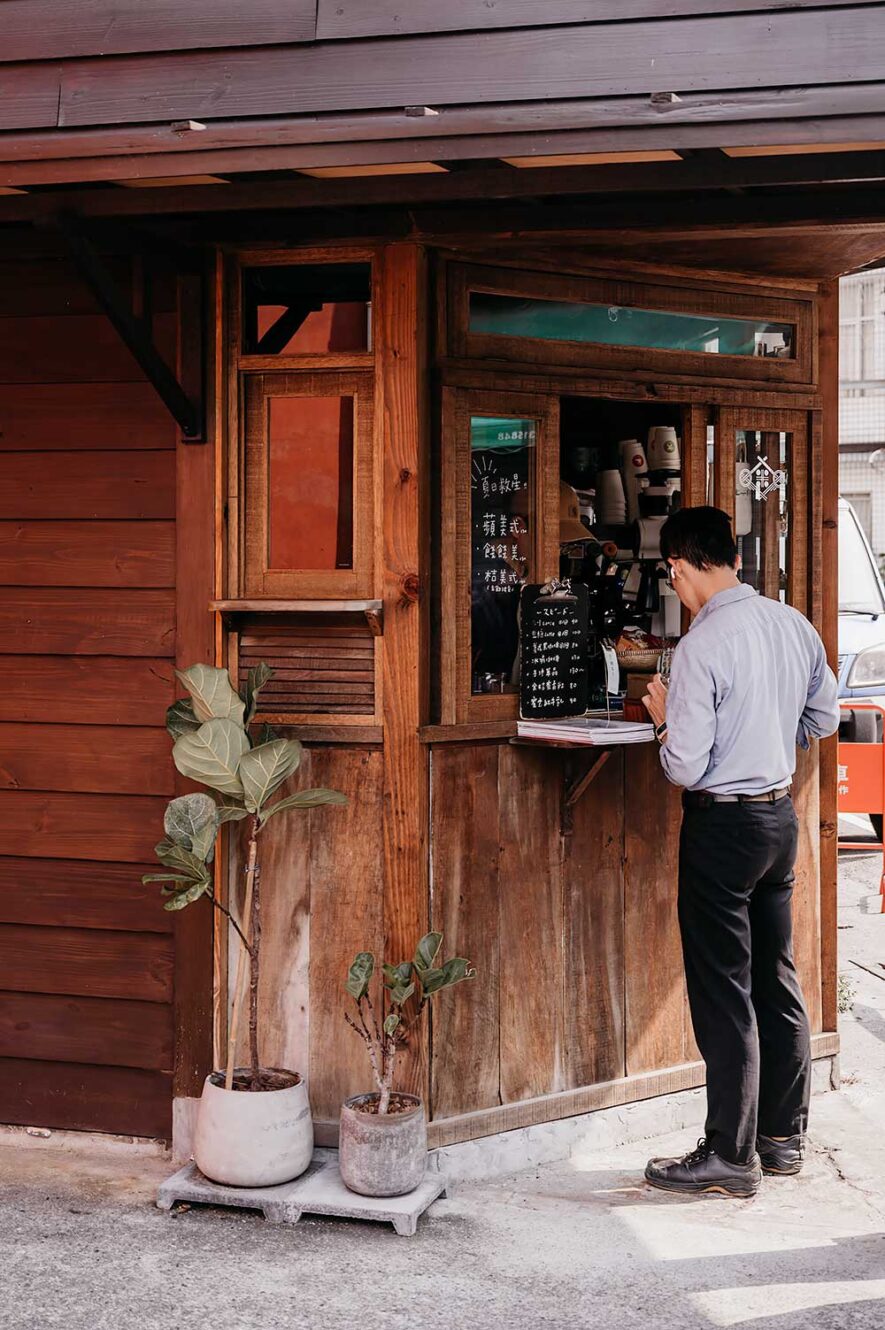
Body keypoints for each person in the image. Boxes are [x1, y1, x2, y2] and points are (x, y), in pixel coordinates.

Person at [641, 505, 840, 1198]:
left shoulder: (701, 645)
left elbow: (685, 766)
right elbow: (824, 717)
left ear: (677, 566)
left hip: (722, 829)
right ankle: (781, 1139)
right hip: (778, 820)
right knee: (775, 976)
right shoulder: (792, 624)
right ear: (732, 556)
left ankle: (728, 1152)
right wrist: (769, 733)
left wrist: (663, 721)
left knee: (724, 989)